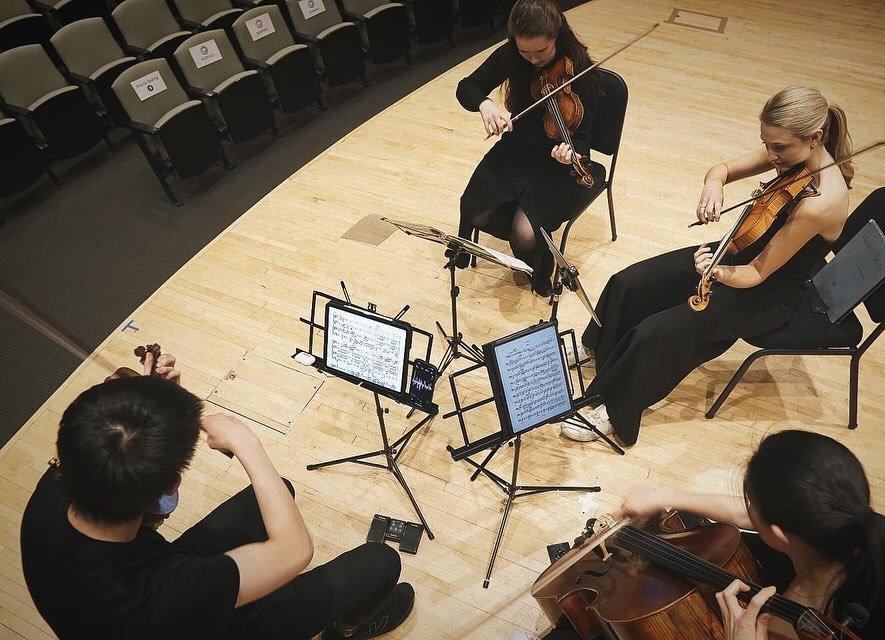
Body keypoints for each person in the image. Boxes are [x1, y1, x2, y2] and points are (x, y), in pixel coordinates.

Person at [20, 351, 414, 640]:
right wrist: (248, 444)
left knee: (280, 494)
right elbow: (296, 550)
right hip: (187, 622)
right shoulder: (162, 597)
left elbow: (110, 428)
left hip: (134, 589)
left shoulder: (56, 485)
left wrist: (155, 402)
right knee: (381, 561)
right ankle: (346, 631)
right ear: (168, 489)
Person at [565, 86, 854, 445]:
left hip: (766, 292)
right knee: (631, 282)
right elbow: (721, 169)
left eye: (778, 147)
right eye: (766, 143)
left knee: (659, 331)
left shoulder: (821, 202)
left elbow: (759, 273)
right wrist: (714, 185)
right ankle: (599, 346)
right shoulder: (791, 154)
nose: (770, 154)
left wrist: (714, 272)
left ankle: (615, 405)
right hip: (737, 250)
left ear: (815, 138)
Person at [516, 430, 885, 640]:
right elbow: (749, 513)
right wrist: (665, 496)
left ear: (779, 534)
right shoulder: (854, 539)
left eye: (754, 515)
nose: (746, 516)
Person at [454, 0, 606, 296]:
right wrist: (485, 105)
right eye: (526, 52)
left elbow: (583, 140)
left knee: (524, 235)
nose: (534, 59)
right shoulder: (511, 56)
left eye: (542, 52)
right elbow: (467, 87)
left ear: (556, 38)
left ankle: (534, 267)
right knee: (475, 210)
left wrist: (570, 153)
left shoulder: (579, 72)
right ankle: (515, 222)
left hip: (556, 166)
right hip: (517, 150)